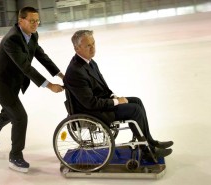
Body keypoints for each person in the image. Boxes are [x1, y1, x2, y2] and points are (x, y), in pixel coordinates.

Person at [0, 7, 64, 173]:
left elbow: (42, 56)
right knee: (20, 116)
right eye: (31, 21)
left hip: (12, 82)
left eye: (37, 21)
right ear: (20, 21)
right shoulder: (12, 39)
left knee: (9, 110)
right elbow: (25, 67)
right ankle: (15, 156)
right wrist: (49, 85)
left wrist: (60, 75)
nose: (35, 24)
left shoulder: (32, 35)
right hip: (0, 83)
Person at [63, 30, 173, 159]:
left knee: (136, 101)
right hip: (92, 111)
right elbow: (90, 103)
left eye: (93, 43)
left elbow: (102, 88)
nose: (93, 48)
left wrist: (113, 97)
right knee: (135, 110)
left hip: (99, 103)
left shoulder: (89, 62)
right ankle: (147, 151)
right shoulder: (76, 71)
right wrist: (116, 102)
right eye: (88, 45)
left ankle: (149, 141)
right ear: (77, 48)